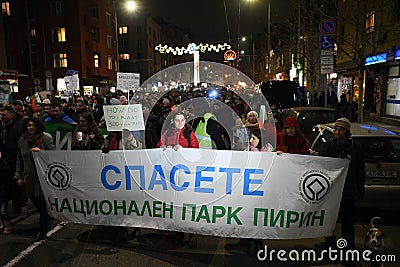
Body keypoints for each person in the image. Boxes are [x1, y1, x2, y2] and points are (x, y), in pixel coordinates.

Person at [316, 118, 365, 267]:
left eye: (340, 129)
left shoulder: (355, 148)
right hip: (332, 192)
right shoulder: (329, 146)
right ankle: (331, 246)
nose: (336, 132)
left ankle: (349, 254)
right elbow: (322, 163)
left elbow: (360, 170)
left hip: (348, 192)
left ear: (346, 131)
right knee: (329, 222)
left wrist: (360, 188)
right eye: (335, 129)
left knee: (348, 225)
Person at [14, 117, 55, 241]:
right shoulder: (22, 141)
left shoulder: (45, 138)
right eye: (28, 125)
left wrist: (41, 152)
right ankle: (47, 219)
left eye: (33, 125)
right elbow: (19, 159)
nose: (30, 127)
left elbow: (54, 156)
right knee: (36, 203)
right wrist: (18, 175)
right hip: (29, 178)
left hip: (43, 177)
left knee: (42, 206)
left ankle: (42, 231)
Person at [0, 106, 24, 216]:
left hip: (16, 160)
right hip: (4, 162)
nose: (1, 117)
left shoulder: (19, 127)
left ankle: (17, 207)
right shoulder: (1, 127)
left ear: (12, 115)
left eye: (4, 115)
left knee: (16, 186)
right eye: (0, 115)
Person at [0, 147, 13, 234]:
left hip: (3, 192)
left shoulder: (4, 165)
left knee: (3, 210)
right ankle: (2, 225)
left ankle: (8, 226)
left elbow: (7, 180)